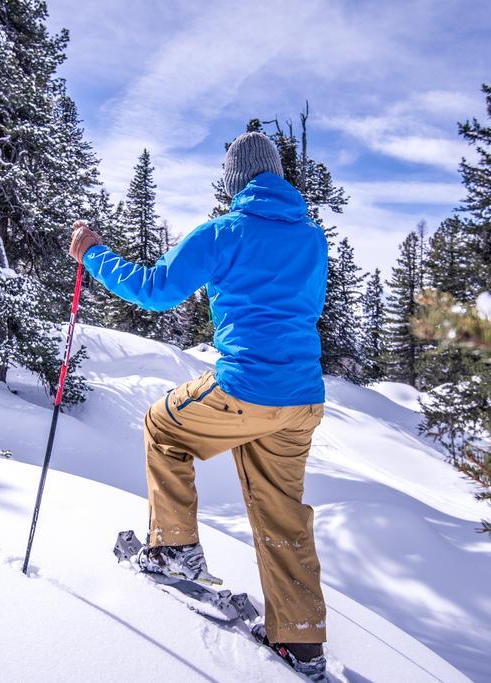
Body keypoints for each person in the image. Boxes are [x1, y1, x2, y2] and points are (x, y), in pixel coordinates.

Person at [68, 132, 329, 677]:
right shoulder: (311, 239)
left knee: (163, 425)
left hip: (245, 387)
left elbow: (155, 290)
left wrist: (93, 254)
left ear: (234, 181)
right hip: (302, 398)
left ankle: (173, 549)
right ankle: (300, 638)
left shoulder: (225, 231)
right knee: (282, 512)